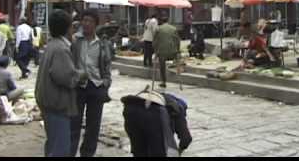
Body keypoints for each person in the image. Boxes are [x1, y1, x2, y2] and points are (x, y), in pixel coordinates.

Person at [35, 9, 88, 157]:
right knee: (61, 148)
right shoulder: (61, 49)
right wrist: (82, 74)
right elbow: (66, 77)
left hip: (48, 101)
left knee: (53, 143)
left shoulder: (53, 45)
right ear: (67, 28)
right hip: (57, 104)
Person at [70, 9, 113, 157]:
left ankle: (87, 153)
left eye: (90, 21)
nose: (86, 23)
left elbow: (107, 64)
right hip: (78, 86)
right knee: (74, 123)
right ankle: (70, 152)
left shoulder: (101, 43)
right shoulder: (75, 40)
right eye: (84, 20)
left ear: (96, 25)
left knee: (93, 125)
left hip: (96, 86)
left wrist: (106, 82)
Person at [121, 88, 192, 157]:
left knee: (139, 148)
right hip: (154, 112)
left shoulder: (167, 100)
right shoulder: (179, 109)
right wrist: (179, 151)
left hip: (129, 108)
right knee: (160, 151)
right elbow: (186, 139)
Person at [152, 13, 181, 88]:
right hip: (172, 52)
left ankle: (163, 81)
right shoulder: (173, 28)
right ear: (168, 21)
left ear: (161, 21)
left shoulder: (158, 29)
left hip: (162, 53)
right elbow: (177, 41)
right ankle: (179, 82)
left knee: (162, 66)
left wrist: (155, 52)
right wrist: (178, 51)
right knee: (175, 62)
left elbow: (155, 42)